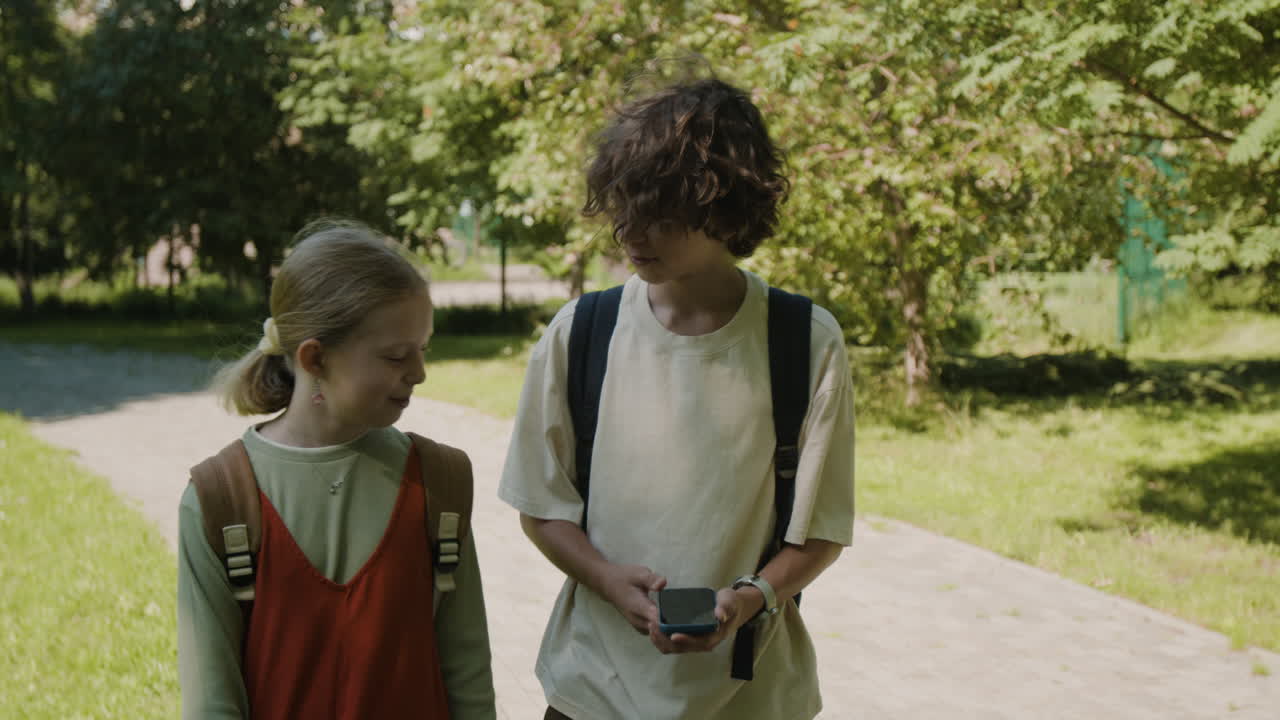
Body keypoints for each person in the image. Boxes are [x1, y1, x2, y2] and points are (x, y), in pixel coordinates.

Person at [498, 72, 856, 719]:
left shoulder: (804, 341)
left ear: (724, 205)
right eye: (622, 207)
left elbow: (819, 532)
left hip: (752, 698)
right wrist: (607, 579)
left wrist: (746, 600)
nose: (631, 233)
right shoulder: (583, 333)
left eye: (659, 213)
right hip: (593, 692)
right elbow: (541, 507)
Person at [177, 220, 496, 719]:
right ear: (315, 358)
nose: (419, 373)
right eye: (396, 356)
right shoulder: (220, 499)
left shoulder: (440, 482)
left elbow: (469, 673)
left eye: (423, 349)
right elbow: (211, 702)